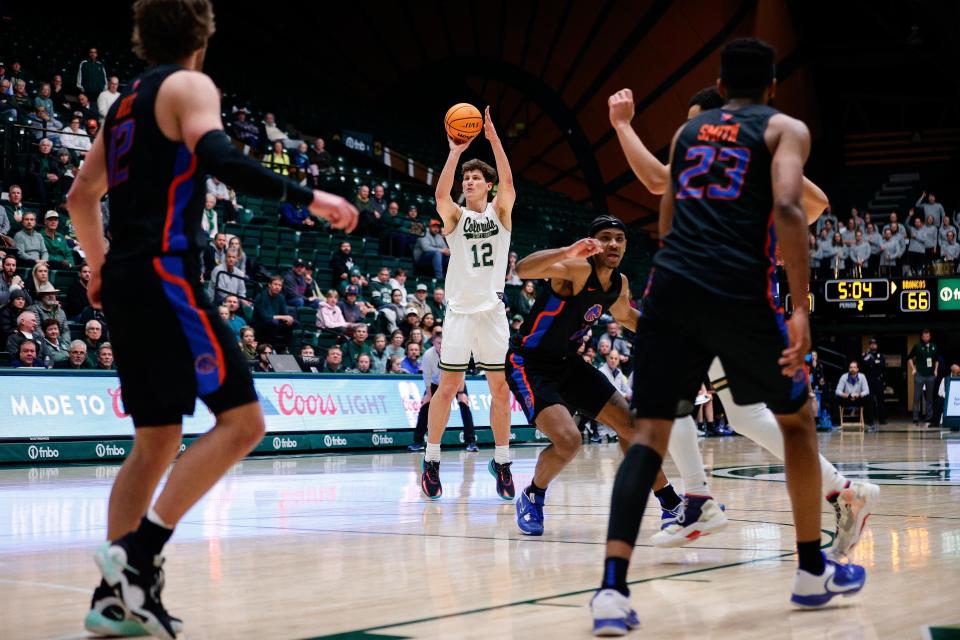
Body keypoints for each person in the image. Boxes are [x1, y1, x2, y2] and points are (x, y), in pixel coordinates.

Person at [65, 2, 358, 637]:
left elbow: (80, 195)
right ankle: (137, 557)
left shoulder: (120, 104)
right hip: (165, 274)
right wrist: (311, 196)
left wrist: (96, 264)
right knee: (244, 422)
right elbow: (222, 159)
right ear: (205, 33)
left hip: (124, 282)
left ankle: (113, 599)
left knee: (155, 441)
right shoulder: (189, 85)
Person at [591, 39, 866, 635]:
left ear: (717, 88)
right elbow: (794, 211)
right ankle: (809, 567)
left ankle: (611, 590)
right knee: (796, 418)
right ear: (771, 87)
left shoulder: (691, 136)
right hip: (737, 288)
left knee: (648, 436)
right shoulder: (783, 127)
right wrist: (800, 306)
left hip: (673, 285)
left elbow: (666, 218)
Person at [506, 218, 683, 538]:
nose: (613, 244)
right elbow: (523, 271)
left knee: (631, 426)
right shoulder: (575, 269)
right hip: (529, 364)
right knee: (569, 440)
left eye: (619, 238)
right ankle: (533, 494)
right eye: (605, 238)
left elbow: (627, 317)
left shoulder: (619, 283)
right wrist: (566, 251)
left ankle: (671, 504)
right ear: (593, 242)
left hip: (569, 364)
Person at [421, 106, 516, 501]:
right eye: (467, 178)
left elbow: (510, 182)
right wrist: (456, 152)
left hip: (492, 313)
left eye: (477, 177)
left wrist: (493, 139)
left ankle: (503, 461)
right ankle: (432, 460)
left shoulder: (501, 212)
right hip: (459, 313)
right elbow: (440, 194)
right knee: (447, 388)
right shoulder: (456, 217)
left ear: (489, 186)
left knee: (499, 387)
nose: (470, 181)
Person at [409, 331, 478, 452]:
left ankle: (471, 442)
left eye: (443, 343)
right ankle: (418, 441)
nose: (441, 345)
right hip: (435, 383)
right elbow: (427, 377)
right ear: (434, 343)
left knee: (464, 405)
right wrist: (429, 395)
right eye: (438, 343)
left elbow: (461, 373)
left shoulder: (455, 353)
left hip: (455, 382)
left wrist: (461, 393)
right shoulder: (428, 355)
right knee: (425, 407)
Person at [908, 329, 939, 426]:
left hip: (930, 375)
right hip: (920, 374)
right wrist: (913, 369)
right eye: (924, 336)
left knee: (929, 397)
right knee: (917, 397)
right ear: (922, 337)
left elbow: (937, 359)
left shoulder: (934, 346)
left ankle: (929, 417)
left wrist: (936, 370)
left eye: (928, 336)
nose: (926, 338)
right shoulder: (917, 346)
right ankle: (915, 418)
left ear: (930, 337)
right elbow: (909, 358)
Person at [835, 361, 876, 430]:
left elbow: (866, 390)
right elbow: (837, 391)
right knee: (836, 398)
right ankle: (836, 423)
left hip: (858, 399)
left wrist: (859, 395)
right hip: (847, 399)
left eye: (854, 367)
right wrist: (846, 395)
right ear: (848, 369)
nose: (852, 369)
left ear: (857, 369)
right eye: (851, 367)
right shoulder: (844, 377)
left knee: (870, 398)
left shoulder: (862, 376)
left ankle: (870, 424)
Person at [861, 338, 886, 425]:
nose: (873, 345)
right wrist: (875, 362)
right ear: (869, 345)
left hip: (878, 380)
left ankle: (882, 420)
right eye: (871, 344)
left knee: (881, 401)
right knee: (869, 401)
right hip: (869, 380)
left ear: (877, 345)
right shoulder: (865, 354)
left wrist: (873, 362)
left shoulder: (881, 355)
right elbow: (864, 363)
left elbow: (883, 365)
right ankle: (869, 420)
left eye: (874, 344)